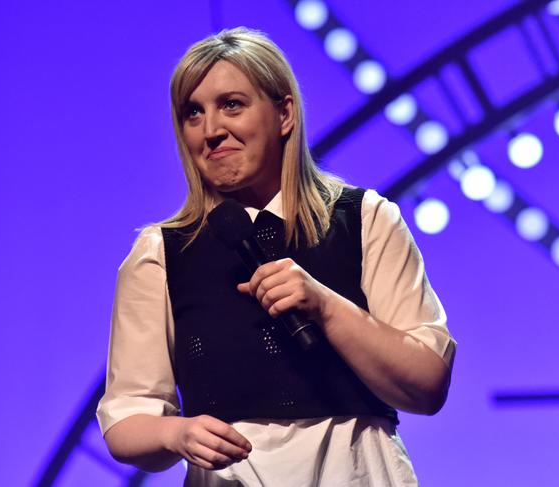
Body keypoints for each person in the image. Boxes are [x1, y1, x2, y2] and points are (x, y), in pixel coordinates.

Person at [96, 27, 456, 486]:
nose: (211, 131)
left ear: (284, 113)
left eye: (231, 104)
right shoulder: (162, 252)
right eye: (193, 113)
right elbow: (128, 416)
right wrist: (177, 432)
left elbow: (426, 384)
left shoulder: (363, 219)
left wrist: (325, 306)